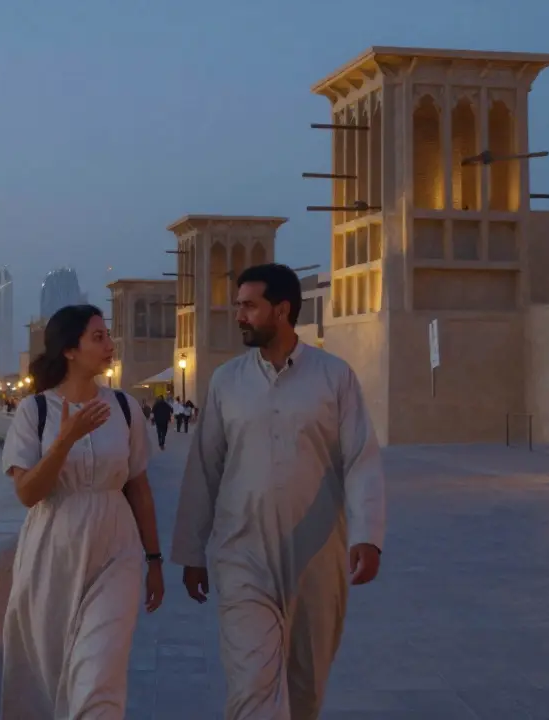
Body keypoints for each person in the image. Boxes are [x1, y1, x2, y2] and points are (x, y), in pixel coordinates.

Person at [170, 263, 386, 720]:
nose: (239, 316)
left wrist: (368, 535)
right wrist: (191, 550)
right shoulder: (227, 381)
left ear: (282, 310)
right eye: (238, 306)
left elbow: (361, 459)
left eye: (249, 306)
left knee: (306, 687)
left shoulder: (334, 377)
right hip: (242, 553)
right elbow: (204, 468)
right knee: (252, 685)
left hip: (317, 554)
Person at [0, 304, 165, 718]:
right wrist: (65, 441)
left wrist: (154, 559)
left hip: (116, 548)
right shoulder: (34, 411)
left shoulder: (124, 408)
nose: (110, 344)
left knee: (99, 677)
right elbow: (28, 493)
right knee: (47, 678)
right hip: (53, 552)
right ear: (70, 350)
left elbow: (139, 487)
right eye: (98, 337)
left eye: (107, 335)